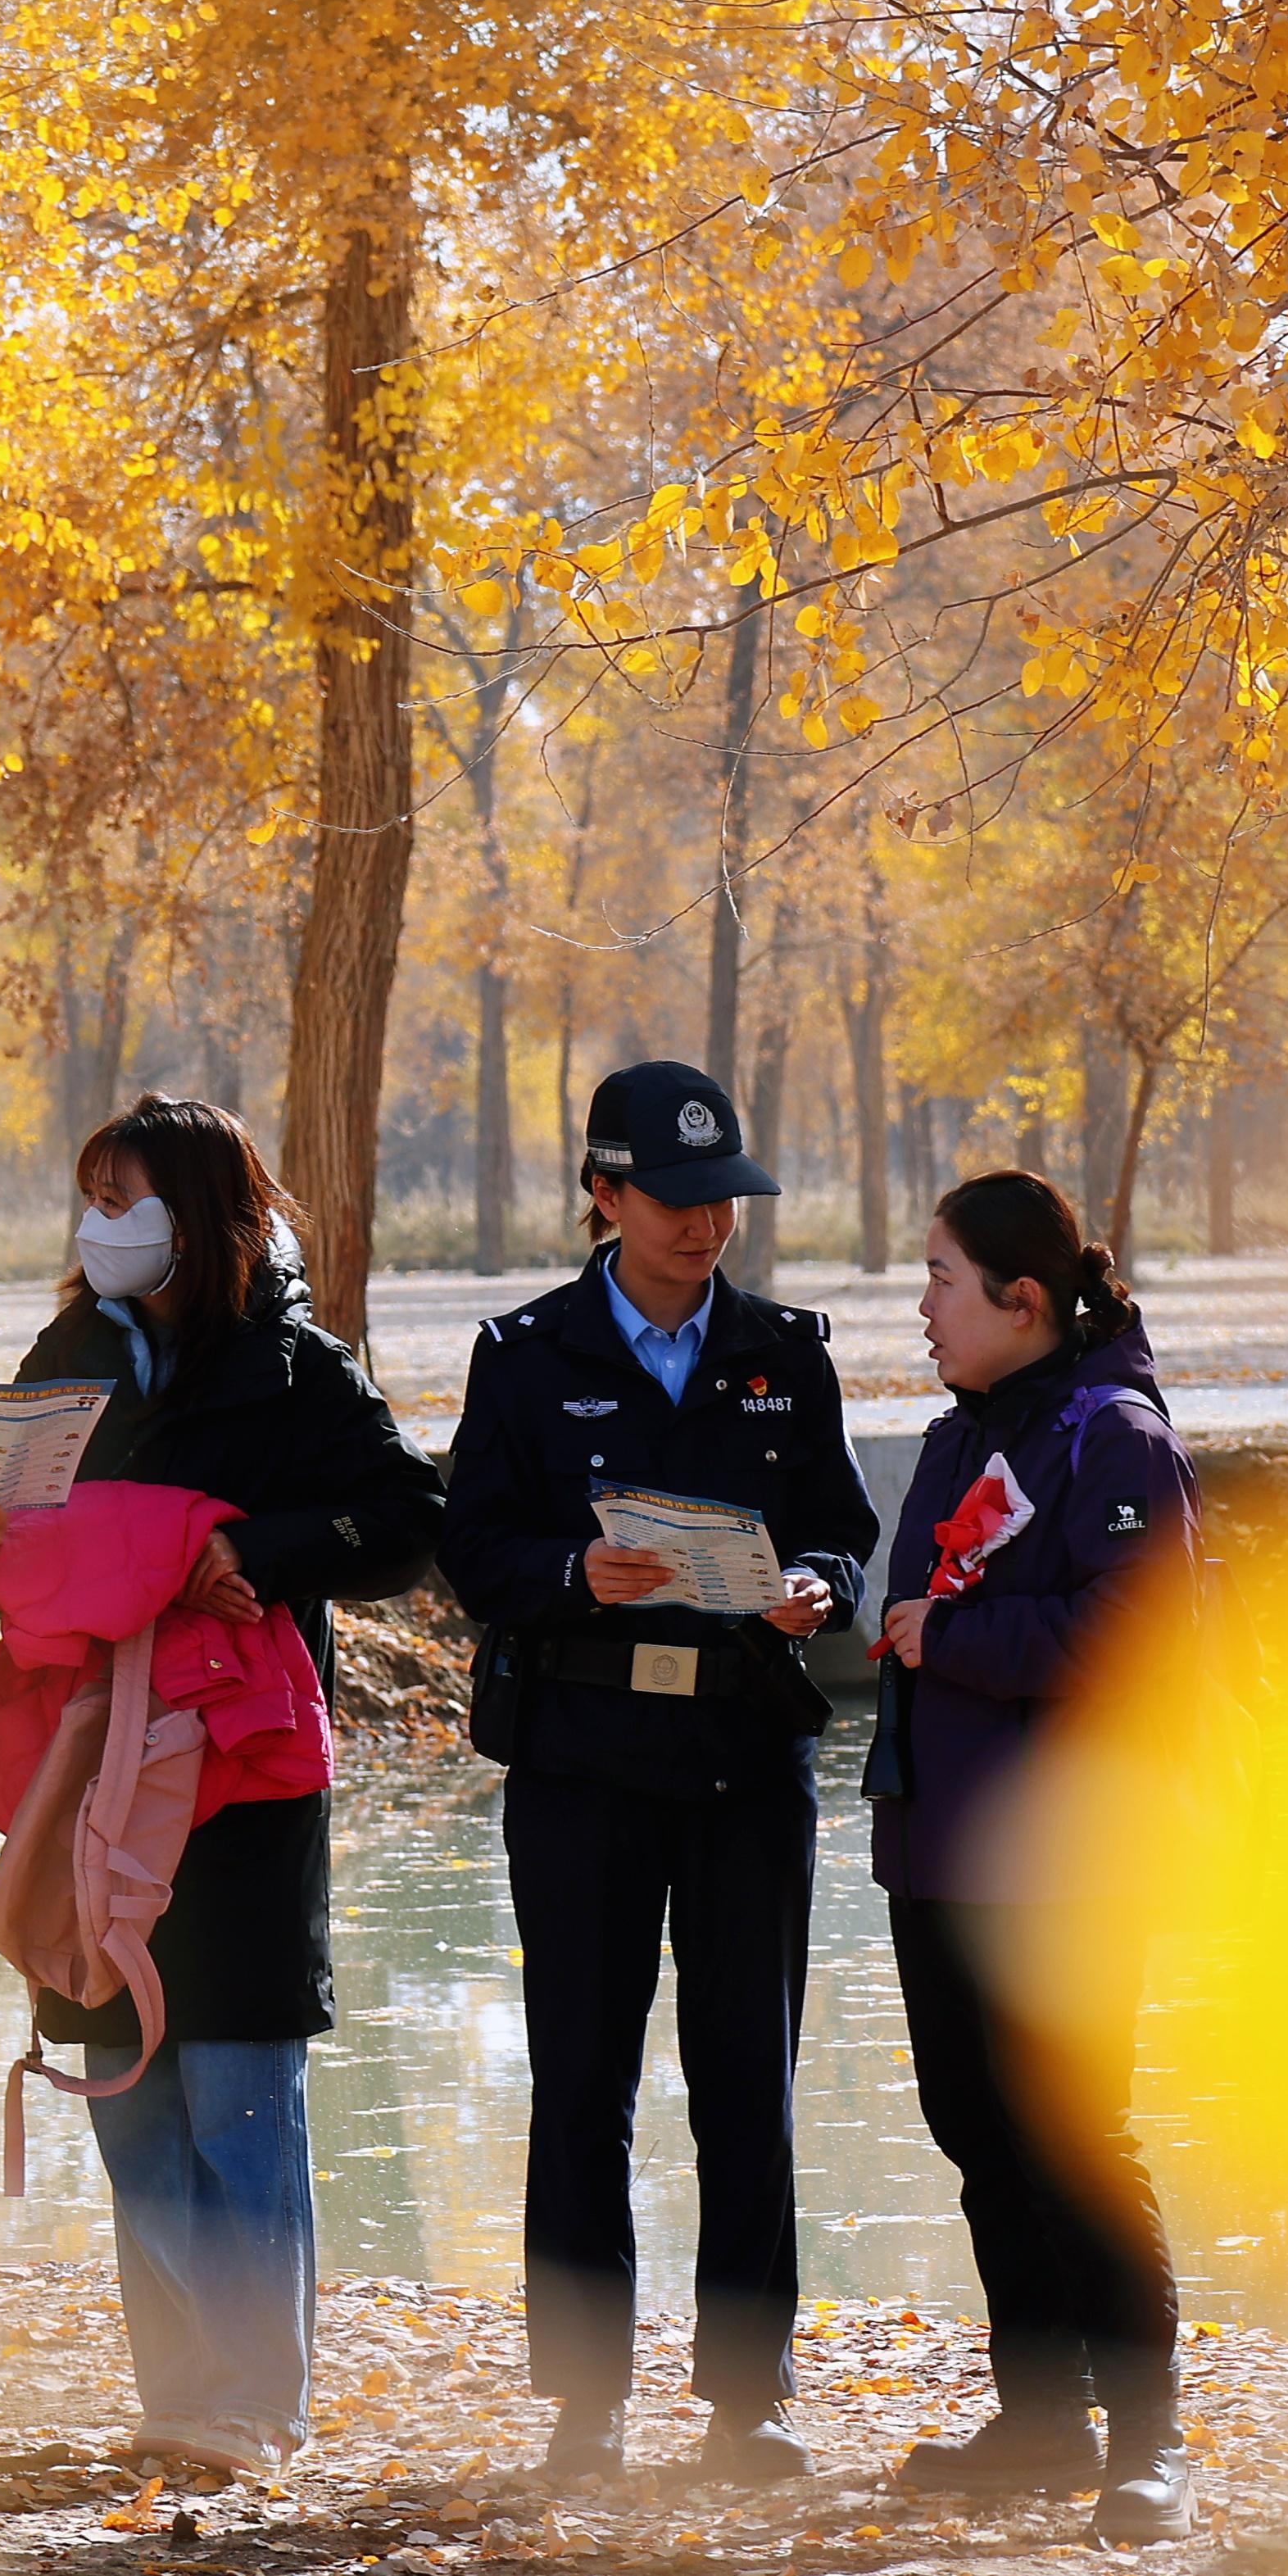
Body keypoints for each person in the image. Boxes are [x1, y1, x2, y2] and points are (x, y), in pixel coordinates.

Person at [437, 1059, 879, 2482]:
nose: (706, 1225)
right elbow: (472, 1550)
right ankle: (586, 2401)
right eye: (677, 1199)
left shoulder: (786, 1352)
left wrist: (818, 1585)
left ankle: (750, 2399)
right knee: (581, 2080)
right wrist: (573, 1572)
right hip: (584, 1763)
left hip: (748, 1759)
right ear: (605, 1193)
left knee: (750, 2080)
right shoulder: (526, 1355)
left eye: (724, 1199)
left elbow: (844, 1528)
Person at [2, 1095, 446, 2478]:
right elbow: (14, 1515)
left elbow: (407, 1522)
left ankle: (256, 2402)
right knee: (127, 2089)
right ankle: (176, 2395)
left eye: (124, 1200)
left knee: (239, 2094)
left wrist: (256, 1548)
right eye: (92, 1200)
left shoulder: (299, 1366)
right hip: (93, 1768)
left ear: (196, 1220)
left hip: (244, 1777)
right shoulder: (69, 1356)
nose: (100, 1226)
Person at [864, 1168, 1197, 2541]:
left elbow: (1137, 1639)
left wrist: (953, 1638)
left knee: (1072, 2134)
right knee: (976, 2127)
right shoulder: (962, 1435)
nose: (923, 1309)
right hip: (940, 1843)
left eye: (940, 1281)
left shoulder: (1114, 1438)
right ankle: (1043, 2415)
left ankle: (1150, 2442)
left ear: (1021, 1300)